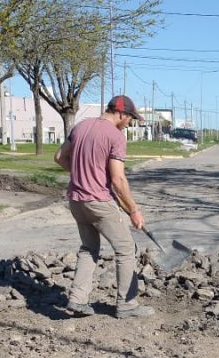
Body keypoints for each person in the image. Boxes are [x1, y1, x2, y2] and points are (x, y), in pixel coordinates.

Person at [54, 95, 155, 319]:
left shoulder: (80, 126)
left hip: (76, 201)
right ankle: (127, 305)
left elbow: (60, 157)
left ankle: (78, 300)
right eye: (130, 118)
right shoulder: (115, 136)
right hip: (98, 202)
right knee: (126, 249)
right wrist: (134, 210)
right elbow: (118, 180)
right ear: (121, 114)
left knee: (89, 248)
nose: (130, 123)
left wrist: (81, 175)